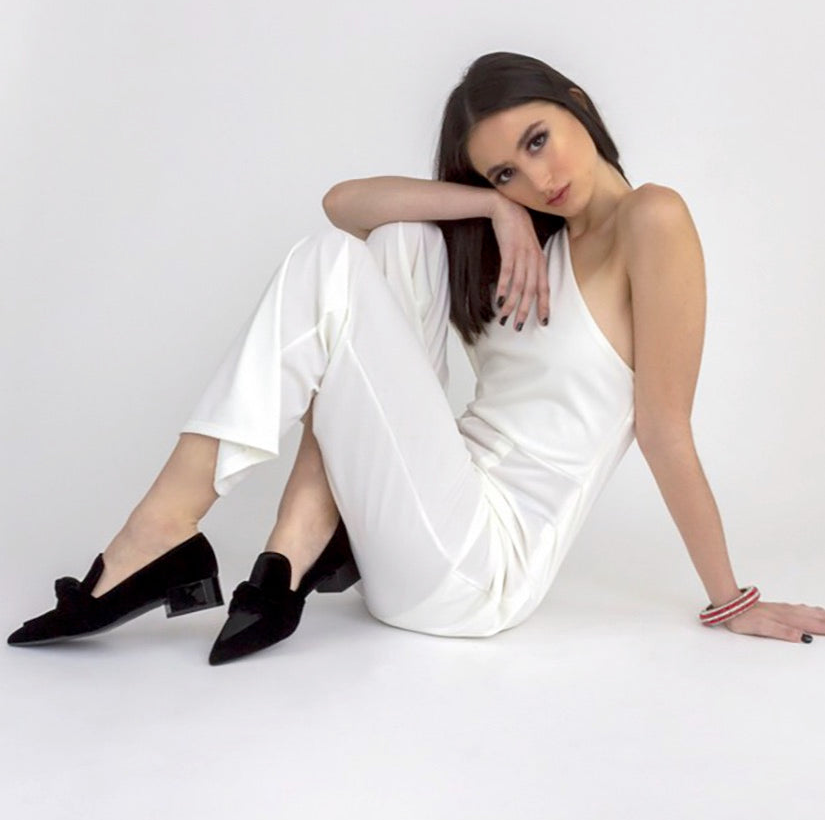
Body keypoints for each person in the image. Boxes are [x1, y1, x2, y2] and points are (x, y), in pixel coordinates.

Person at [8, 51, 823, 665]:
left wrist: (730, 600)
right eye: (508, 169)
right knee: (399, 238)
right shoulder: (527, 239)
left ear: (577, 100)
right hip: (427, 511)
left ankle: (171, 532)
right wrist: (491, 206)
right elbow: (344, 204)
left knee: (330, 266)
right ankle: (294, 542)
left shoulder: (653, 218)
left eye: (538, 141)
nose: (537, 178)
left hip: (478, 571)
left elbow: (664, 429)